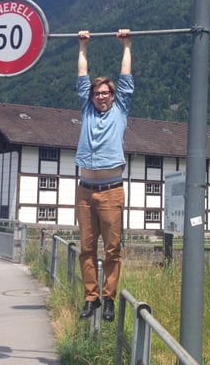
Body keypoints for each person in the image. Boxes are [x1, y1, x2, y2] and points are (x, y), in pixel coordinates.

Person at [75, 29, 133, 322]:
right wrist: (83, 47)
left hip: (111, 190)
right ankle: (91, 297)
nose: (101, 97)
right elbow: (82, 77)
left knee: (112, 248)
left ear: (112, 96)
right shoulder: (86, 109)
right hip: (85, 189)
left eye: (105, 93)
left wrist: (126, 45)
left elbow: (126, 80)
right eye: (97, 93)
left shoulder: (120, 109)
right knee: (86, 247)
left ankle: (108, 298)